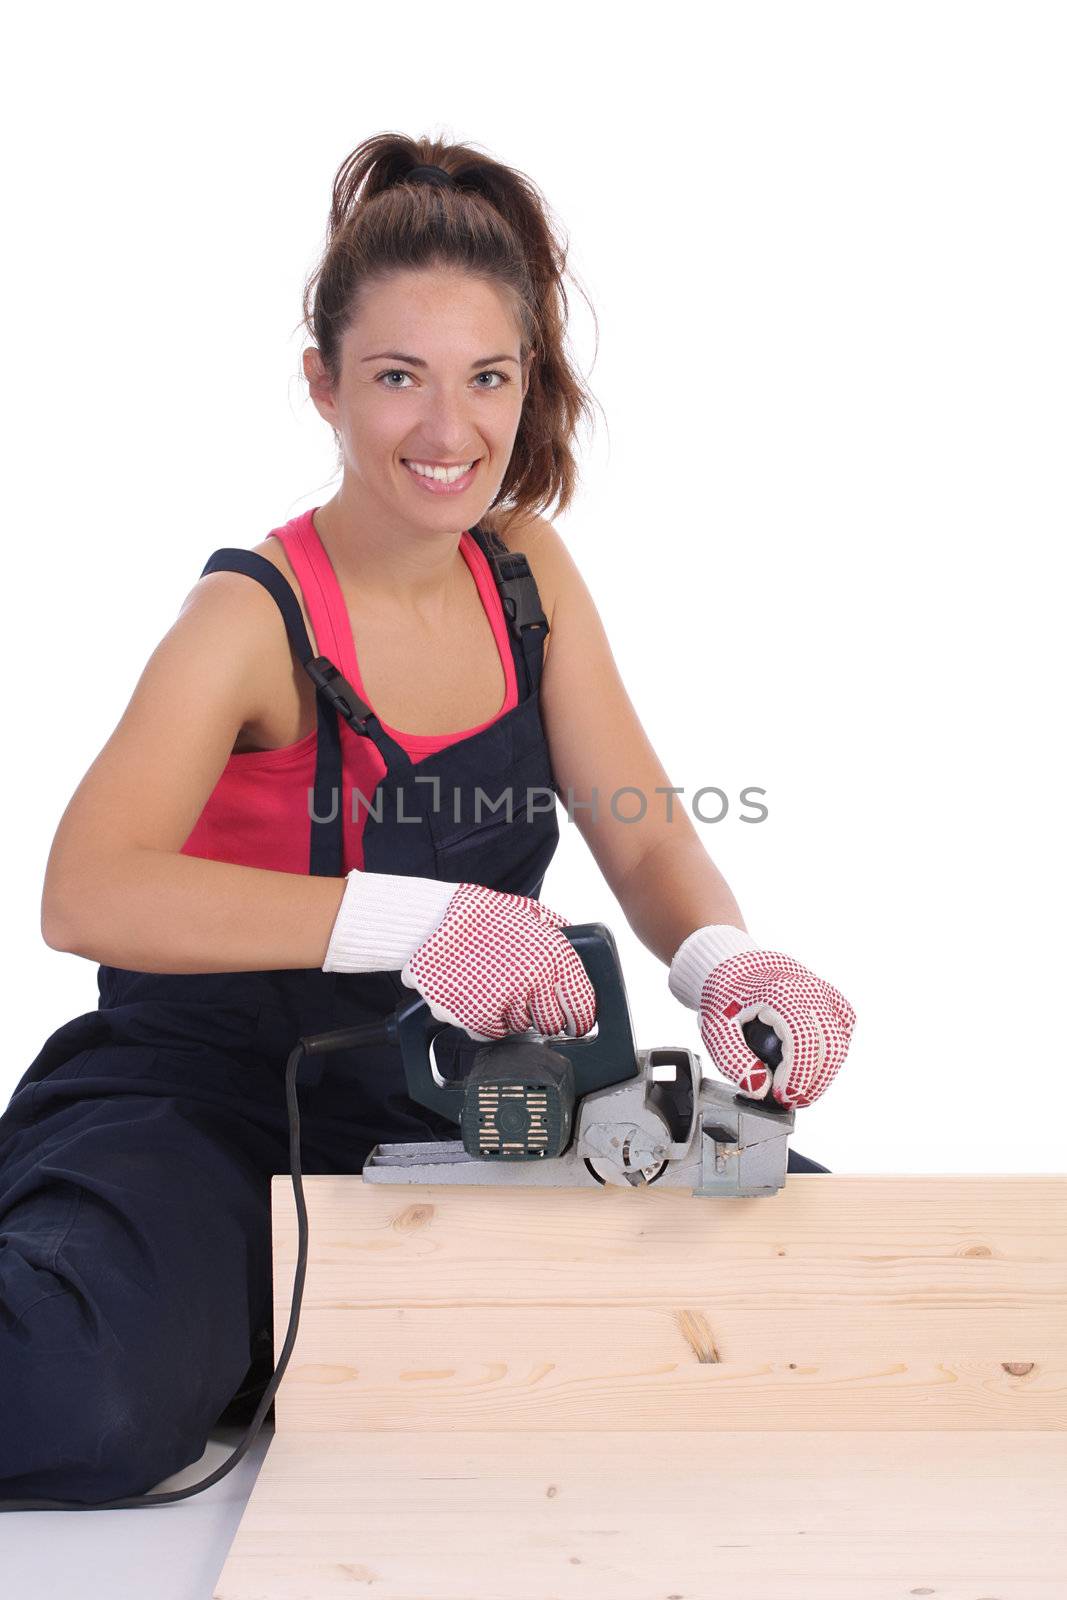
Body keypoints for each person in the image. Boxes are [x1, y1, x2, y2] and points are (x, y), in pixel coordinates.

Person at [0, 133, 856, 1505]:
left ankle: (270, 1329)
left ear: (527, 390)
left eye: (486, 380)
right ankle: (173, 1298)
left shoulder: (528, 572)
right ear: (324, 383)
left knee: (816, 1274)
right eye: (398, 377)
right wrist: (424, 920)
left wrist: (722, 964)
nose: (447, 433)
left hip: (464, 1104)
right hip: (208, 1102)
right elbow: (83, 891)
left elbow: (635, 828)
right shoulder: (249, 620)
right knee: (86, 1401)